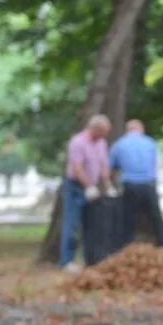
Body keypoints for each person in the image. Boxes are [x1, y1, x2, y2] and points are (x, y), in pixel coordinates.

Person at [59, 114, 111, 272]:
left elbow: (103, 165)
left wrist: (108, 185)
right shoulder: (78, 142)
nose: (104, 135)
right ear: (94, 128)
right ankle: (66, 261)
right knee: (72, 223)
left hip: (93, 185)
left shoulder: (101, 142)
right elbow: (77, 168)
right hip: (76, 186)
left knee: (92, 223)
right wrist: (88, 186)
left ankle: (91, 258)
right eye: (102, 132)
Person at [109, 119, 163, 248]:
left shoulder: (119, 144)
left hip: (130, 185)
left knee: (128, 218)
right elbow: (153, 163)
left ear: (127, 130)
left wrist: (112, 184)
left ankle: (126, 246)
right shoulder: (150, 143)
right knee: (156, 217)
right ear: (141, 129)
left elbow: (112, 168)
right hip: (148, 184)